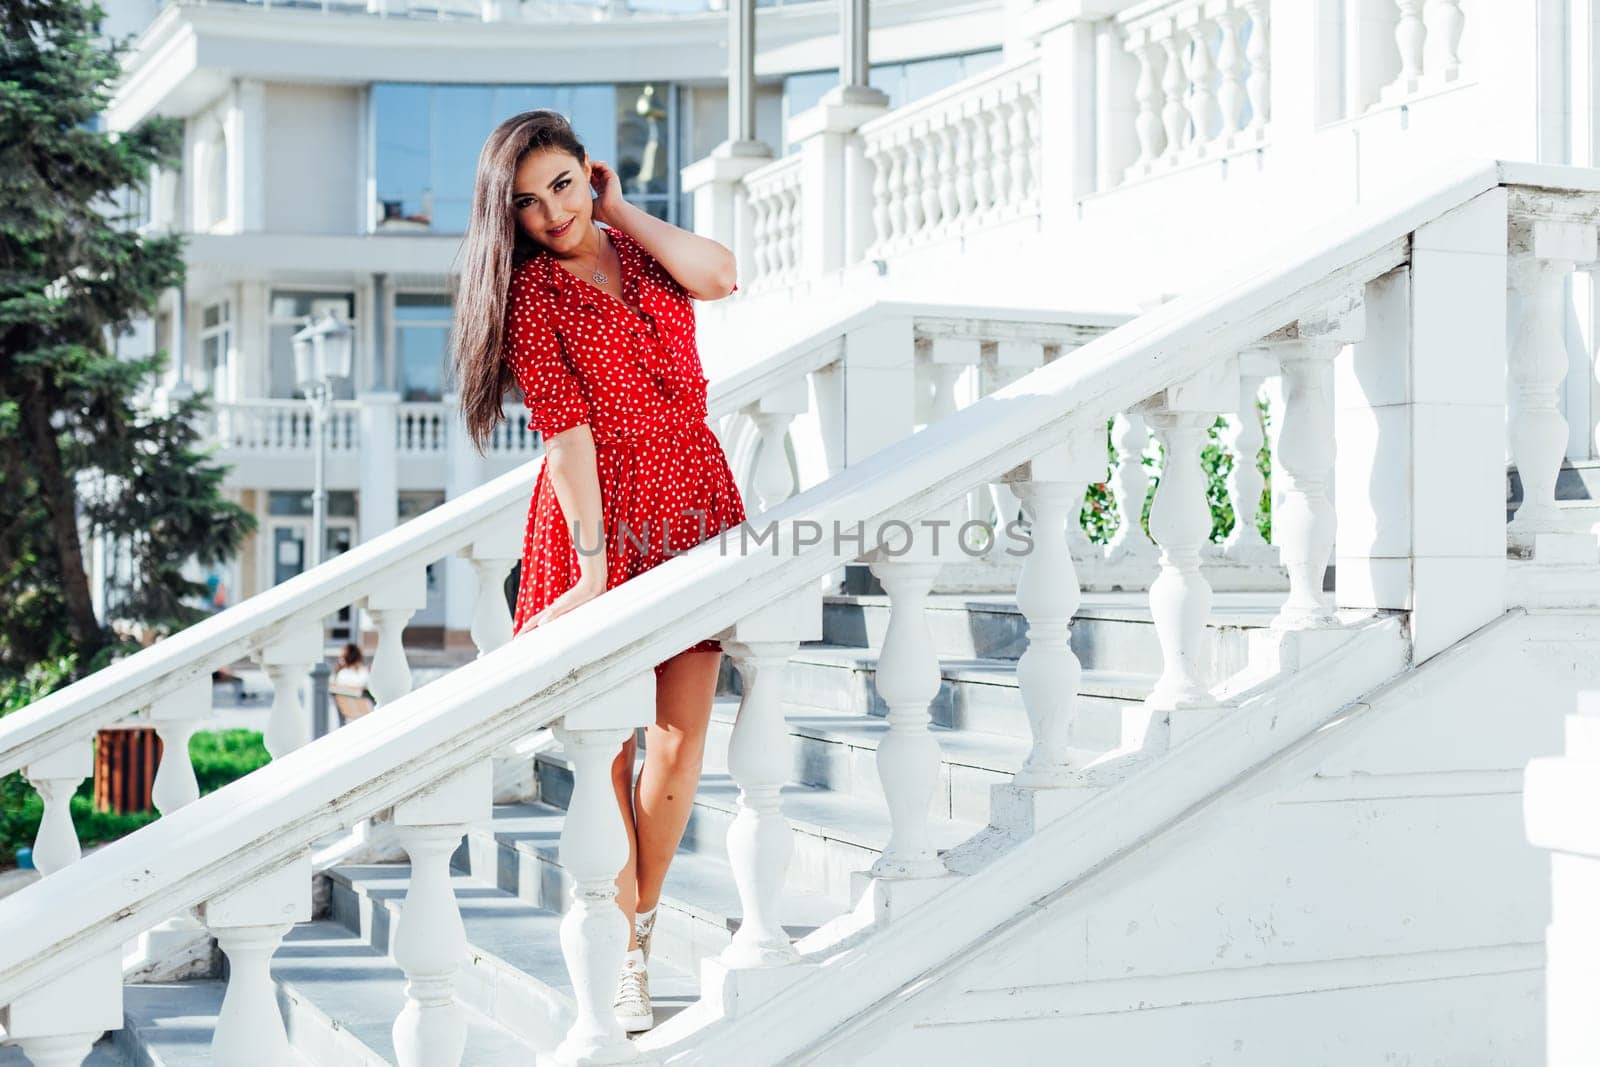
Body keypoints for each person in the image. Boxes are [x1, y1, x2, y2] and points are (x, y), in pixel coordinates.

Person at [450, 109, 745, 1033]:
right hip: (601, 513)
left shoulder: (643, 251)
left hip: (691, 498)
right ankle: (626, 959)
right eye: (529, 203)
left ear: (591, 173)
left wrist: (628, 213)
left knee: (681, 744)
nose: (551, 213)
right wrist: (590, 567)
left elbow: (724, 275)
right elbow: (569, 438)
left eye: (564, 186)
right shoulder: (533, 298)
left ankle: (637, 927)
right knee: (610, 751)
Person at [329, 642, 373, 722]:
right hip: (365, 716)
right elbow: (364, 683)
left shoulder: (340, 675)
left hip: (349, 717)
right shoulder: (361, 674)